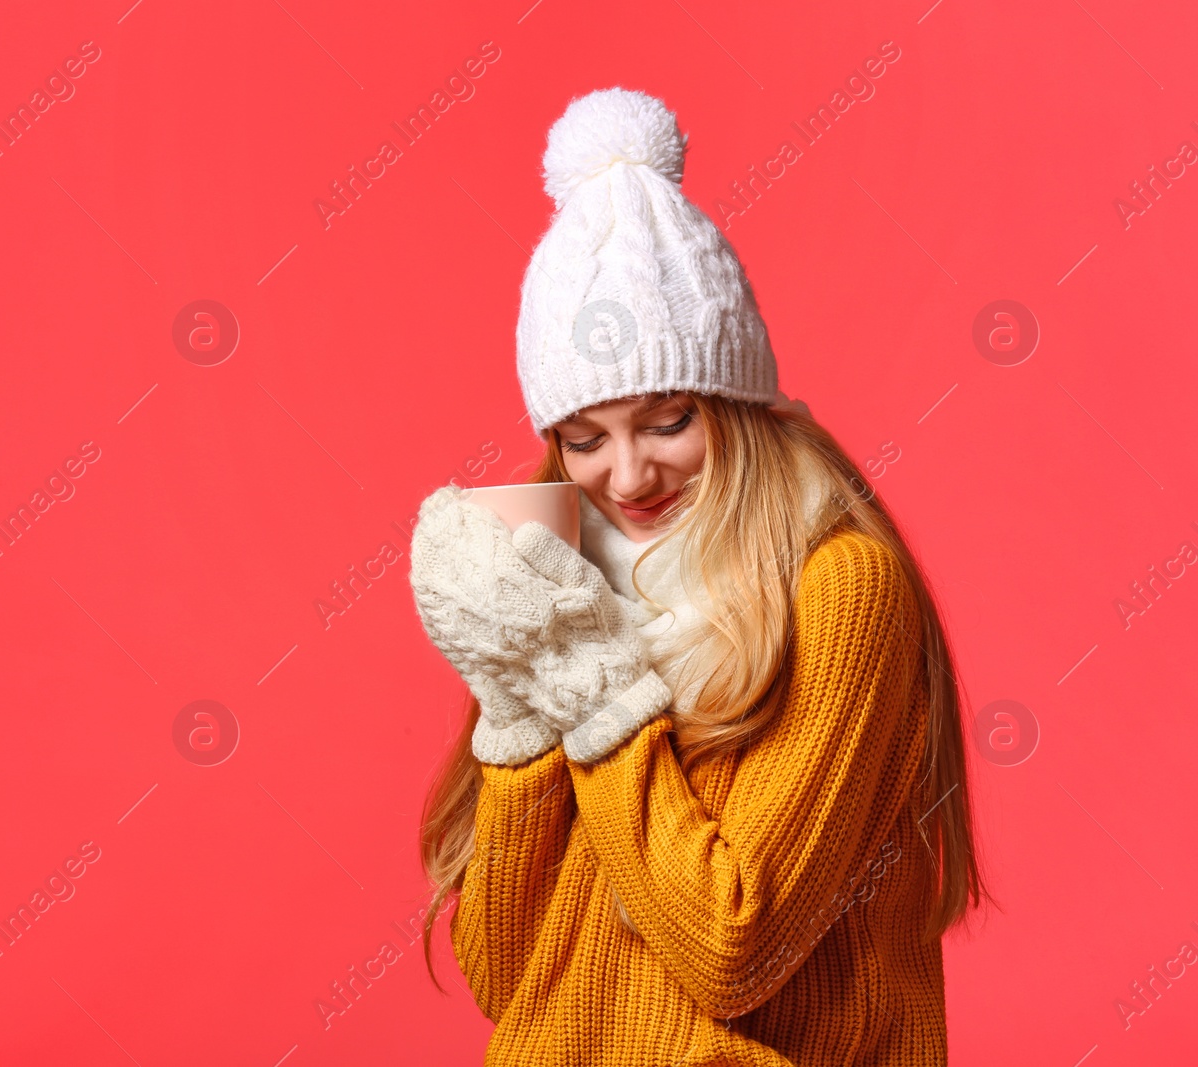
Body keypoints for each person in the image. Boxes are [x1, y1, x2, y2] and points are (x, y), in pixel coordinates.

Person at [408, 88, 989, 1066]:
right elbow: (512, 982)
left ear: (738, 400)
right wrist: (518, 695)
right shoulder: (573, 596)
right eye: (585, 439)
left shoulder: (838, 587)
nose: (628, 477)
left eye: (669, 420)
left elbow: (733, 947)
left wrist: (591, 688)